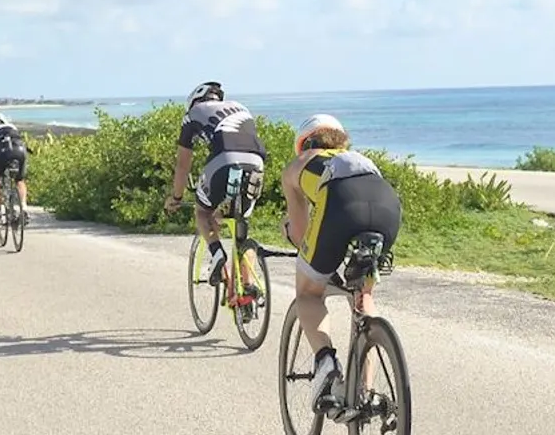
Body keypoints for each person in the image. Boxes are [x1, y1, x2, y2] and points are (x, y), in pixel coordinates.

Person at [281, 114, 401, 406]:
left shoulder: (298, 165)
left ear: (304, 143)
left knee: (308, 294)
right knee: (363, 294)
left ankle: (325, 361)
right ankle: (365, 391)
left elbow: (300, 233)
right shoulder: (358, 158)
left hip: (340, 205)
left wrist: (299, 241)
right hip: (387, 208)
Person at [162, 82, 267, 284]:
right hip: (256, 163)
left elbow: (183, 166)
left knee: (203, 212)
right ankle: (249, 288)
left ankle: (217, 252)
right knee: (240, 225)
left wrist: (176, 197)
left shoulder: (192, 114)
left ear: (194, 101)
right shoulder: (240, 107)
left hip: (224, 159)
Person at [0, 114, 30, 221]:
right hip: (20, 151)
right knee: (20, 180)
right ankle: (24, 208)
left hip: (3, 153)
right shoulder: (12, 127)